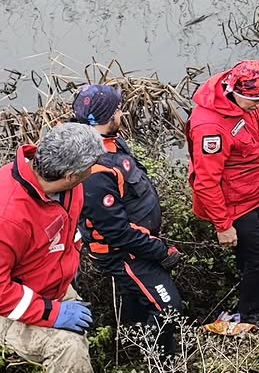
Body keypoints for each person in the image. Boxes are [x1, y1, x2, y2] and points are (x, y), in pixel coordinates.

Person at [0, 123, 105, 373]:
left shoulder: (66, 187)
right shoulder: (8, 215)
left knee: (79, 343)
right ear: (73, 174)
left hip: (51, 284)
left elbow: (62, 226)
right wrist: (52, 314)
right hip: (11, 304)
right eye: (92, 166)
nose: (97, 170)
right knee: (67, 347)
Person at [186, 60, 259, 335]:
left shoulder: (241, 103)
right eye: (255, 101)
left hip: (249, 196)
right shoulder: (210, 127)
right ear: (233, 91)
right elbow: (206, 182)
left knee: (252, 256)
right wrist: (223, 225)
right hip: (232, 205)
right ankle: (252, 311)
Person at [73, 84, 183, 357]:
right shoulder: (94, 173)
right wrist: (161, 251)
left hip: (137, 245)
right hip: (126, 253)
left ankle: (133, 349)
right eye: (118, 109)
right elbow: (117, 233)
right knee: (168, 308)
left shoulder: (110, 142)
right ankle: (164, 369)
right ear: (107, 117)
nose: (122, 113)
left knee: (136, 299)